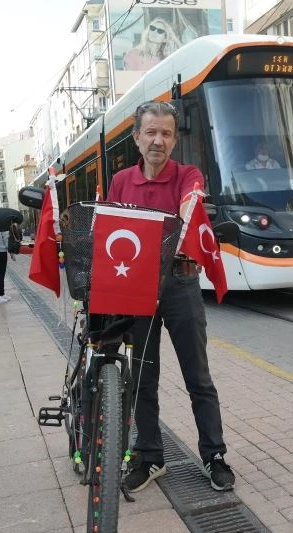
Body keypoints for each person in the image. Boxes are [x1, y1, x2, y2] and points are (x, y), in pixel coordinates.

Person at [107, 101, 235, 493]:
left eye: (166, 133)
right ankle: (150, 457)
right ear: (136, 138)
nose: (158, 140)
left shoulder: (187, 175)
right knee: (143, 378)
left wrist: (185, 221)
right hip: (138, 288)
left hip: (180, 285)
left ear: (174, 139)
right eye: (151, 132)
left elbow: (191, 203)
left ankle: (214, 455)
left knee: (198, 376)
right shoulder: (121, 182)